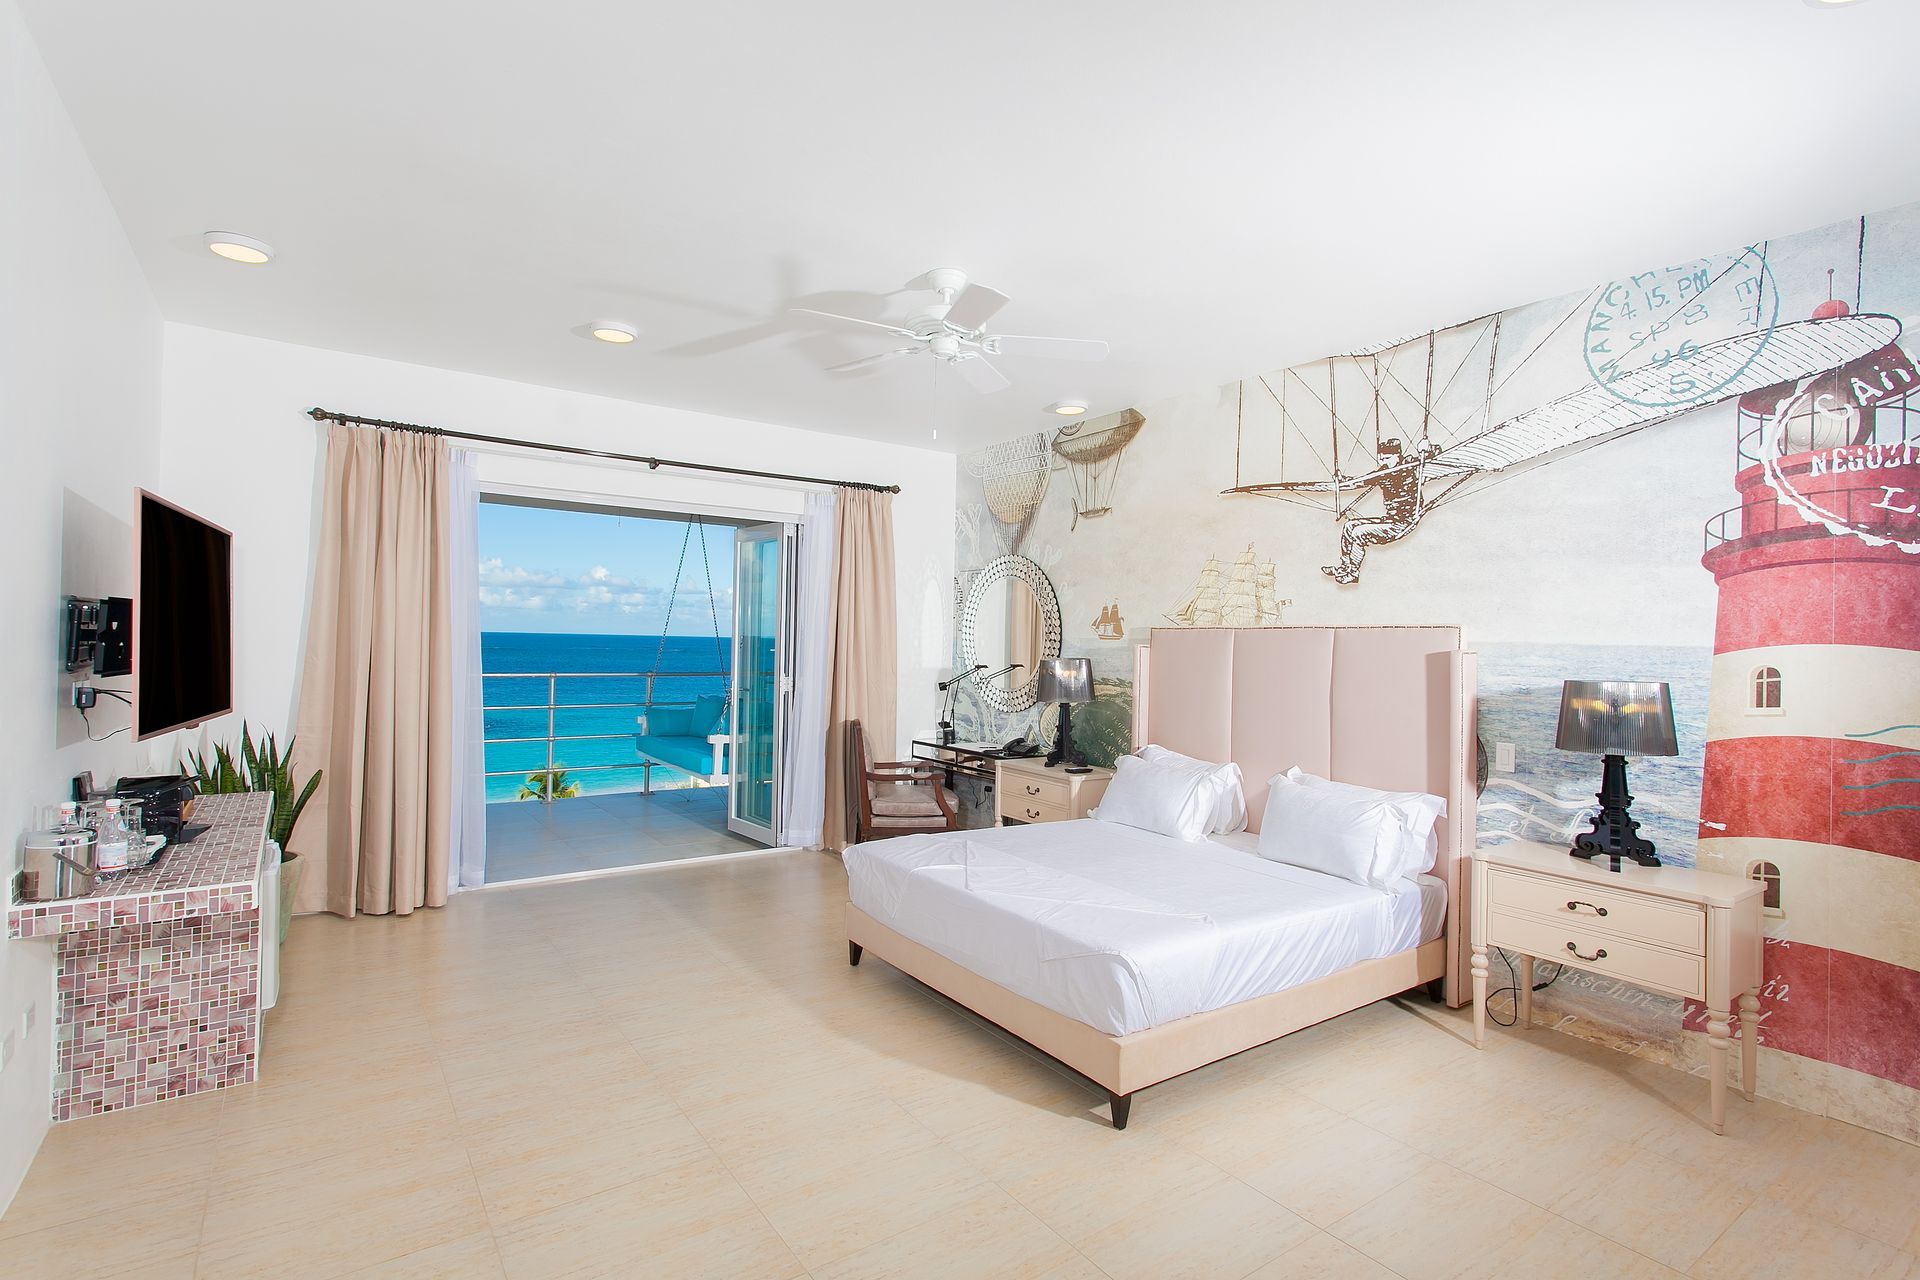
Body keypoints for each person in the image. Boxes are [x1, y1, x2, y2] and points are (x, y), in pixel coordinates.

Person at [1320, 438, 1436, 584]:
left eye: (1387, 458)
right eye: (1381, 459)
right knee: (1349, 526)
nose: (1383, 462)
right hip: (1389, 520)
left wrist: (1427, 448)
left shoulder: (1410, 464)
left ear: (1397, 456)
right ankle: (1344, 567)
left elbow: (1433, 456)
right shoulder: (1383, 472)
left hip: (1403, 522)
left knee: (1358, 533)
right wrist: (1342, 480)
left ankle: (1353, 573)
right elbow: (1362, 481)